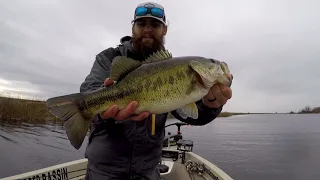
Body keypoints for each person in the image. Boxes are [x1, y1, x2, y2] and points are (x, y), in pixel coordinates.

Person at [80, 2, 233, 180]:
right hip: (104, 170)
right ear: (133, 27)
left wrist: (210, 104)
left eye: (155, 24)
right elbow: (89, 90)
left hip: (148, 172)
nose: (147, 29)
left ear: (165, 30)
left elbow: (191, 115)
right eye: (141, 24)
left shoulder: (175, 69)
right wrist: (104, 109)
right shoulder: (110, 58)